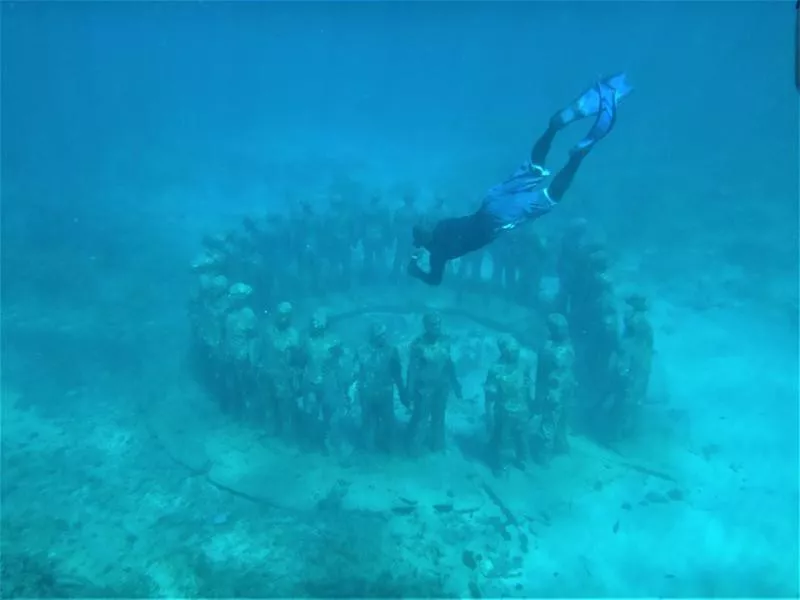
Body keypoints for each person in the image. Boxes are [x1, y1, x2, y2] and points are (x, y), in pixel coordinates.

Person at [407, 74, 632, 286]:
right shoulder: (440, 228)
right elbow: (445, 232)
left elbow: (435, 280)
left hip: (496, 219)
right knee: (534, 167)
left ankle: (577, 158)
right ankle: (553, 127)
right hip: (490, 201)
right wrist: (424, 246)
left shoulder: (439, 253)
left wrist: (415, 269)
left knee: (551, 198)